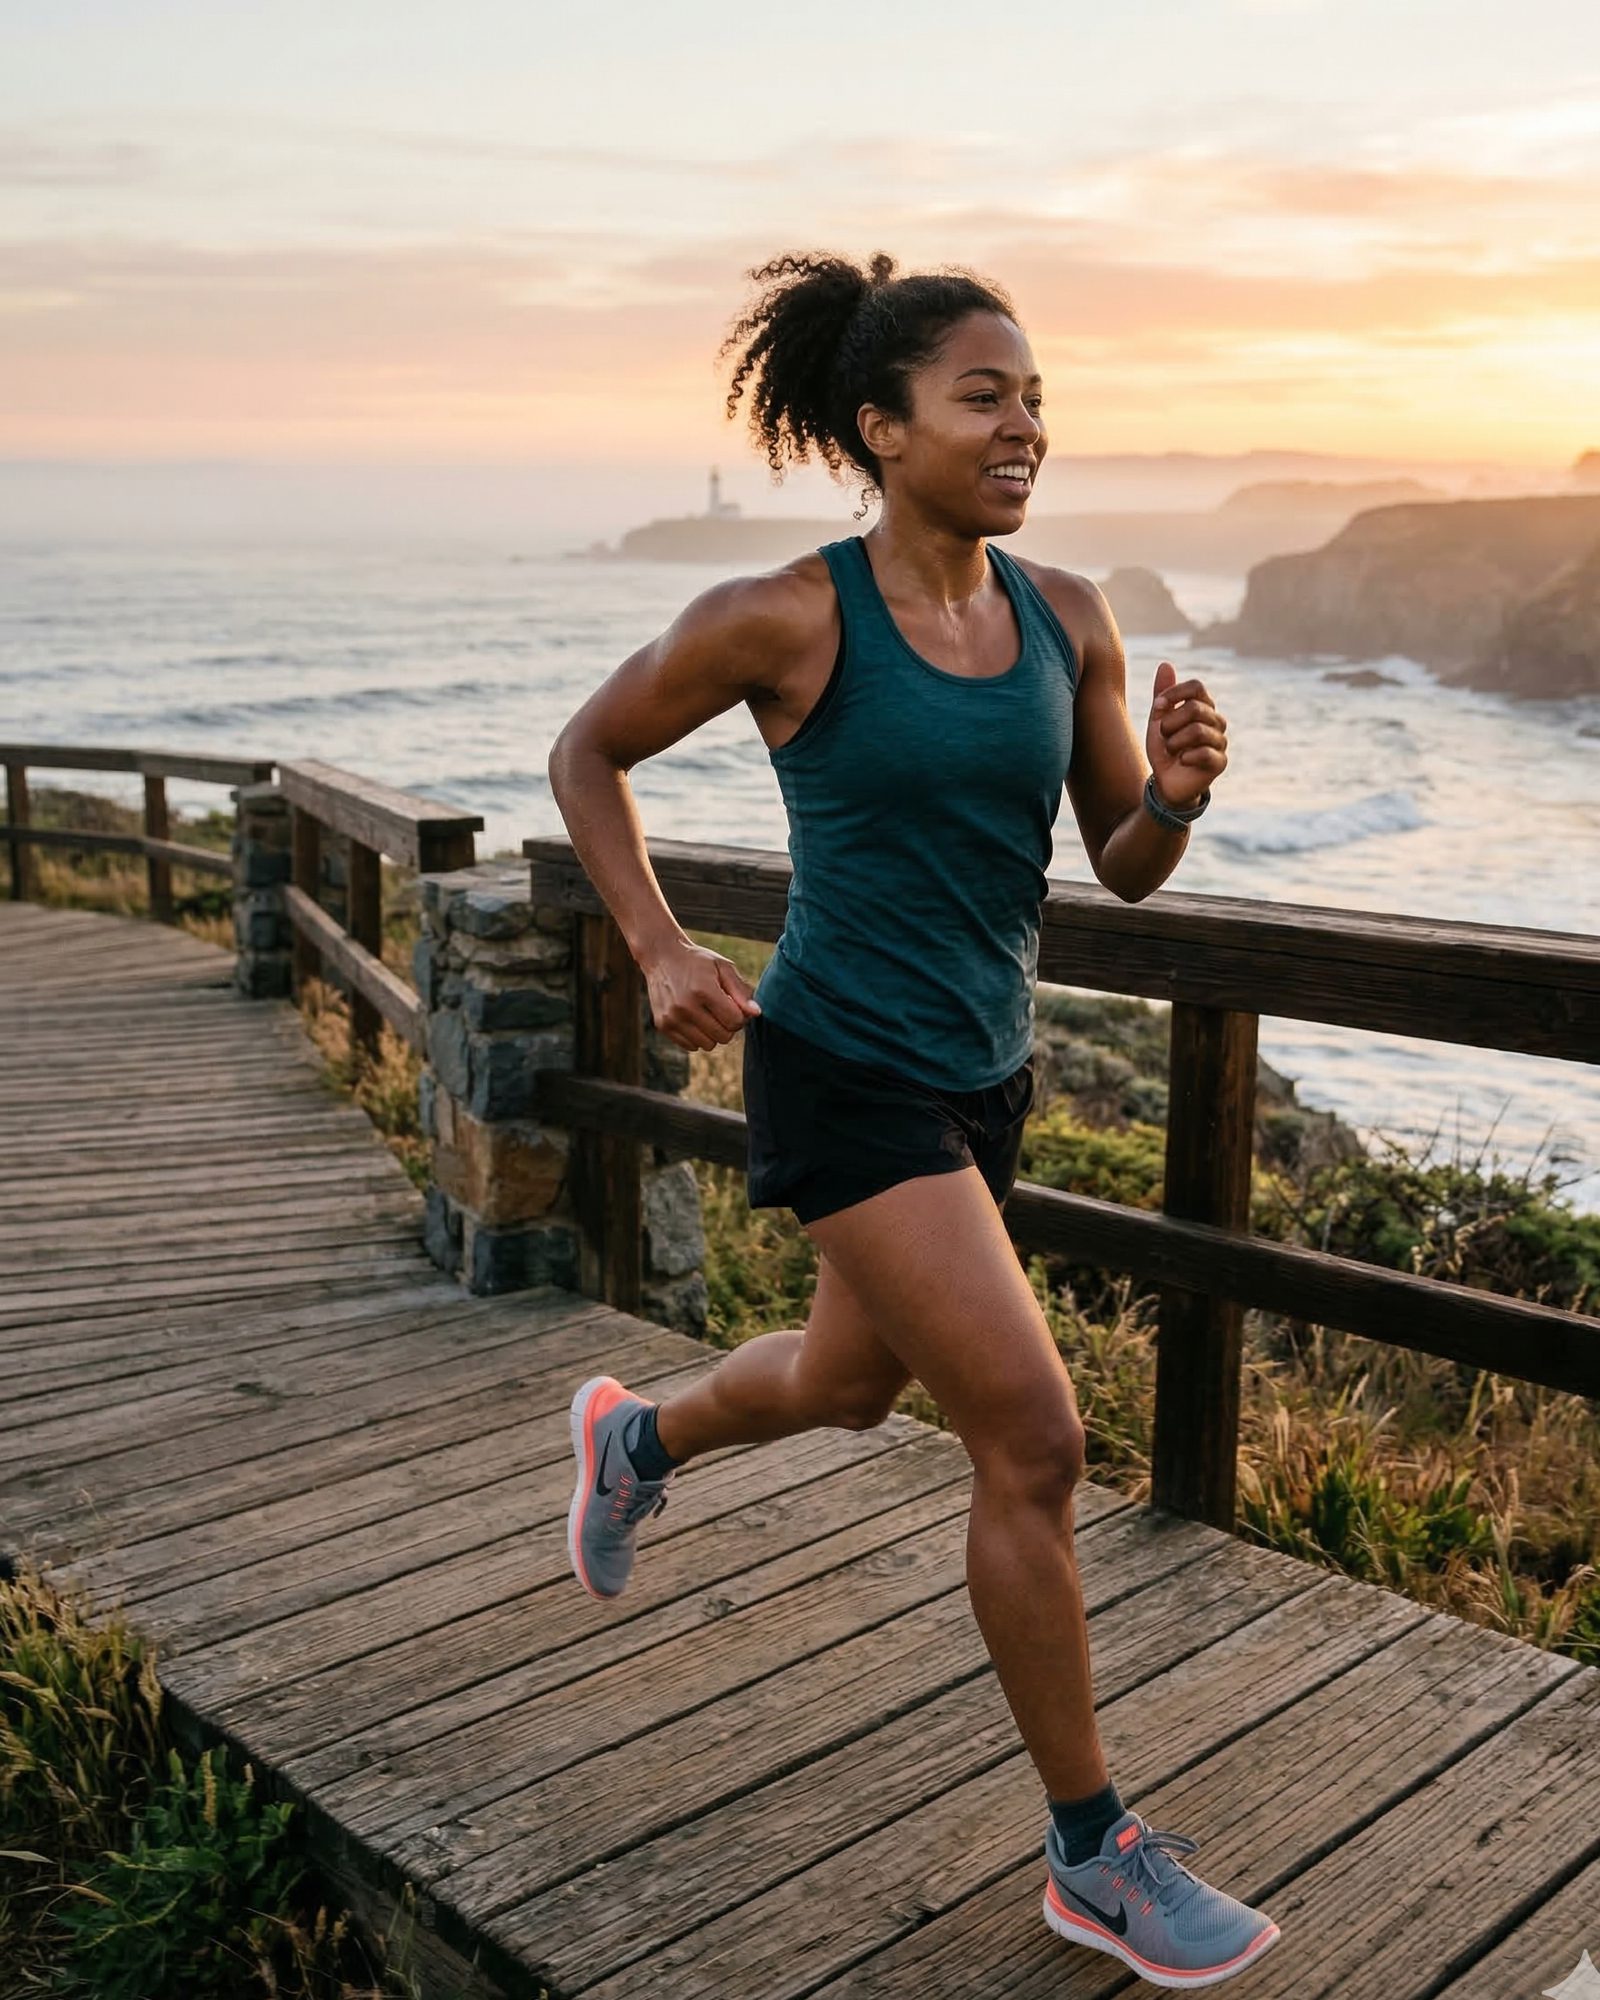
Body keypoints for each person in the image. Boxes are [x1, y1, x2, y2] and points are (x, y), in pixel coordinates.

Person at [552, 250, 1278, 1989]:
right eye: (982, 397)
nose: (1022, 426)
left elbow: (1120, 863)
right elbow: (589, 755)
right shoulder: (784, 619)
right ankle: (1095, 1853)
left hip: (982, 1076)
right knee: (1034, 1440)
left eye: (1034, 398)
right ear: (882, 429)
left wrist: (1178, 795)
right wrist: (659, 945)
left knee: (843, 1383)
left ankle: (635, 1442)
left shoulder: (1069, 616)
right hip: (841, 1068)